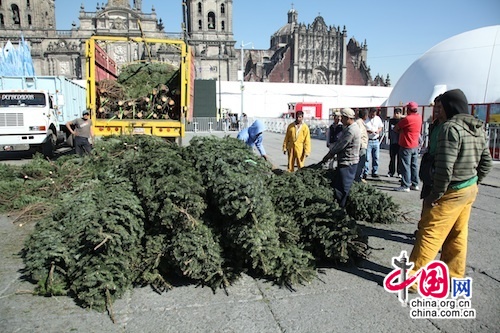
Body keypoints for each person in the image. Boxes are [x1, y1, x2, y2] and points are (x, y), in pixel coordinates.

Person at [408, 89, 492, 288]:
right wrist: (474, 182)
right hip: (469, 188)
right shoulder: (477, 126)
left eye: (441, 107)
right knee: (457, 233)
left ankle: (412, 279)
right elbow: (486, 162)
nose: (439, 111)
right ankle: (453, 275)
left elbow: (445, 167)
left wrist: (435, 195)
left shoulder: (450, 128)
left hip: (450, 191)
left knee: (429, 234)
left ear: (449, 107)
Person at [321, 108, 361, 207]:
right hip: (346, 162)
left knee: (343, 188)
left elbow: (340, 146)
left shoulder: (351, 130)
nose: (340, 120)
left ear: (347, 118)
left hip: (348, 163)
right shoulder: (350, 127)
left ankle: (341, 209)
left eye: (342, 117)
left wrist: (328, 156)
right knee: (340, 186)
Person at [419, 95, 445, 199]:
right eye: (435, 107)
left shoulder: (449, 127)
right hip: (430, 167)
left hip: (441, 169)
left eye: (440, 107)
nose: (436, 110)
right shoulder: (434, 125)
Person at [394, 102, 422, 192]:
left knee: (405, 165)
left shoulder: (407, 119)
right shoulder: (419, 117)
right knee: (414, 165)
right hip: (415, 145)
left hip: (406, 144)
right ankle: (415, 184)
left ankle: (406, 185)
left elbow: (395, 128)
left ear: (408, 109)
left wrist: (401, 130)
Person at [363, 108, 384, 178]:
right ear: (369, 113)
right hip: (368, 140)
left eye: (374, 114)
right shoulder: (366, 120)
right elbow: (363, 128)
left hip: (376, 140)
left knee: (376, 157)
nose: (373, 115)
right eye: (372, 114)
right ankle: (365, 172)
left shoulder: (377, 119)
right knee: (367, 157)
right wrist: (368, 131)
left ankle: (375, 171)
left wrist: (378, 130)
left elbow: (381, 127)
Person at [354, 108, 368, 182]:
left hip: (363, 145)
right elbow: (358, 134)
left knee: (362, 162)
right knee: (360, 163)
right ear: (365, 115)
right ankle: (357, 178)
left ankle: (358, 177)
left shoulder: (361, 122)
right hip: (361, 145)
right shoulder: (359, 123)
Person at [388, 108, 402, 178]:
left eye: (398, 113)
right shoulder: (391, 121)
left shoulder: (402, 121)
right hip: (393, 142)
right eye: (395, 113)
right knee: (392, 157)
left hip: (399, 142)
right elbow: (389, 130)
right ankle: (391, 171)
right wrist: (389, 137)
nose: (396, 115)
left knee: (400, 158)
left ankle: (400, 172)